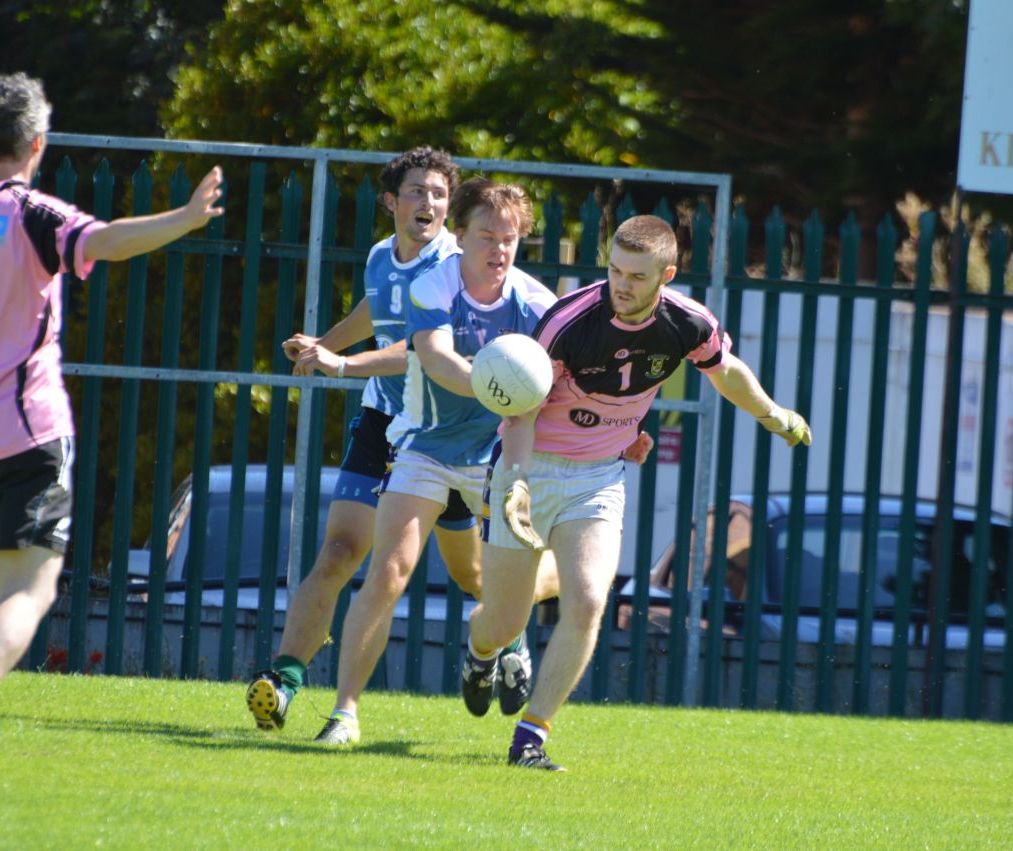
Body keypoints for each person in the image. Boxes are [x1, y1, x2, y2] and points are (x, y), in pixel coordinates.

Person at [0, 73, 223, 777]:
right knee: (32, 587)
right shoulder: (33, 213)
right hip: (26, 431)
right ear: (38, 143)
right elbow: (107, 240)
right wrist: (186, 218)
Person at [463, 215, 812, 771]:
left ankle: (530, 739)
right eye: (613, 270)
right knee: (502, 621)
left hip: (599, 476)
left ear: (666, 275)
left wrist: (773, 414)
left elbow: (725, 372)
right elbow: (523, 413)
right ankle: (482, 654)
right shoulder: (569, 320)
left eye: (636, 276)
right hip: (530, 468)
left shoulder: (687, 322)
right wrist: (519, 484)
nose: (620, 285)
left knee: (590, 601)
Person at [245, 147, 491, 736]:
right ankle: (284, 681)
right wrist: (322, 345)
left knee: (473, 577)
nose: (428, 202)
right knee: (341, 553)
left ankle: (502, 637)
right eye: (416, 191)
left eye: (437, 193)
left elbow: (420, 349)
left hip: (440, 434)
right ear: (391, 201)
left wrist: (342, 364)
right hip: (383, 424)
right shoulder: (382, 256)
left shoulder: (456, 267)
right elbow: (377, 313)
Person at [314, 177, 559, 746]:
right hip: (425, 446)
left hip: (499, 456)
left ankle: (498, 642)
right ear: (462, 234)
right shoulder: (433, 287)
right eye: (486, 236)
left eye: (510, 238)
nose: (498, 249)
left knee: (486, 580)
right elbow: (438, 360)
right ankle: (344, 714)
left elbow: (554, 389)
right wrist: (498, 380)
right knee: (388, 572)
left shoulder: (537, 305)